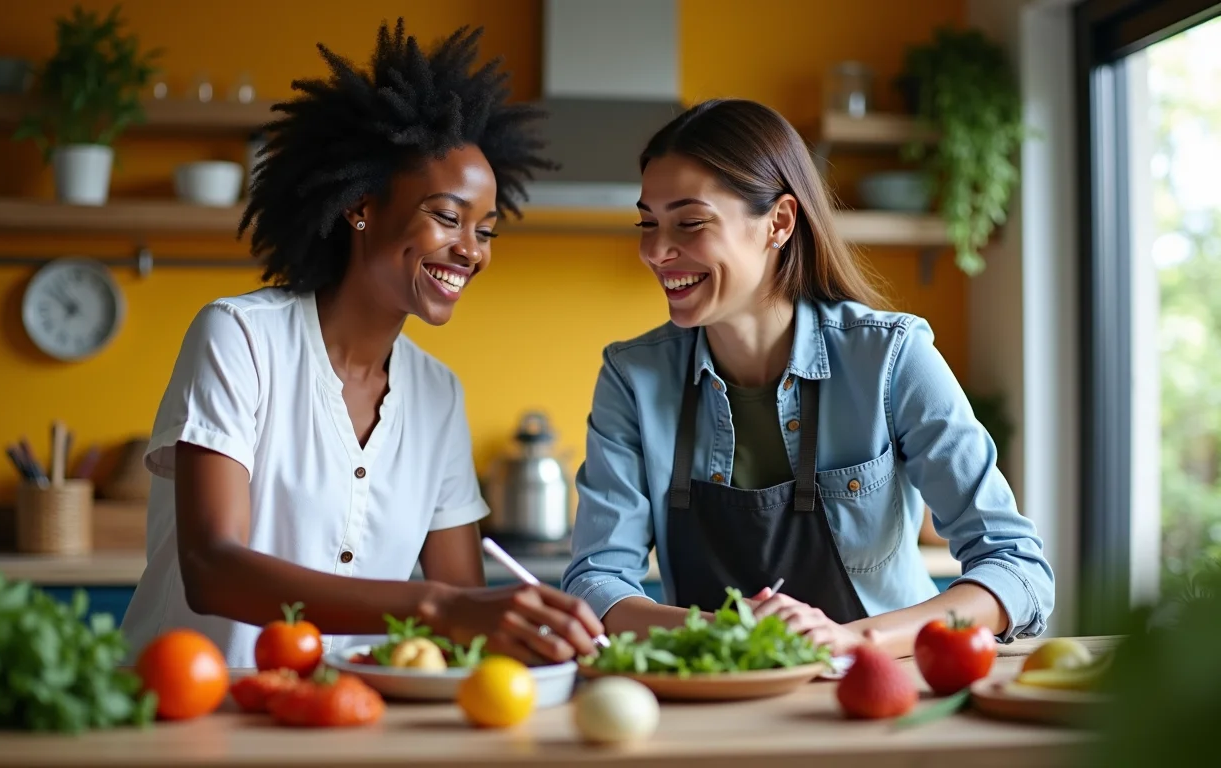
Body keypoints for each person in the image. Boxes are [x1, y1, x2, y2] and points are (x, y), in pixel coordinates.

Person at [122, 20, 601, 668]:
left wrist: (522, 632)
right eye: (446, 215)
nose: (471, 250)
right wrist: (436, 607)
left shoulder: (437, 393)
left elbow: (463, 602)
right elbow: (212, 568)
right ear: (361, 206)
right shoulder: (240, 338)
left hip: (350, 718)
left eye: (486, 230)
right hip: (200, 711)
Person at [561, 98, 1055, 657]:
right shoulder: (633, 377)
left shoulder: (891, 358)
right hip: (713, 698)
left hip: (881, 687)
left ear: (779, 222)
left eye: (689, 222)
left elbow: (1017, 569)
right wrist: (722, 633)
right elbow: (595, 582)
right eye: (647, 222)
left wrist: (849, 640)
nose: (655, 250)